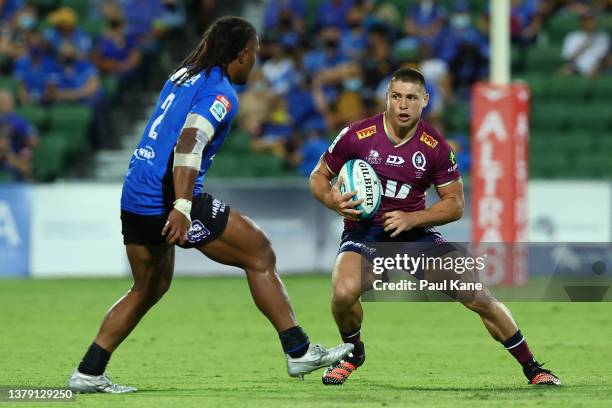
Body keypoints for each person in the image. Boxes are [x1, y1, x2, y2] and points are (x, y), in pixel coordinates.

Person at [67, 16, 353, 394]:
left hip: (136, 190)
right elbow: (189, 144)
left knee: (148, 287)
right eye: (254, 54)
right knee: (259, 253)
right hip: (168, 195)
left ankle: (88, 371)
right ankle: (298, 350)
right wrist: (183, 206)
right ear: (239, 55)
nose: (255, 63)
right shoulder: (221, 93)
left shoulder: (183, 73)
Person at [308, 67, 561, 386]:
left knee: (478, 296)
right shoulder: (357, 135)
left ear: (424, 101)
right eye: (396, 96)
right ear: (386, 97)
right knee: (342, 292)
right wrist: (332, 200)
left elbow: (455, 204)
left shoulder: (435, 147)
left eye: (411, 98)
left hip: (416, 237)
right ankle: (353, 355)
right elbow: (317, 176)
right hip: (365, 235)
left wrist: (412, 218)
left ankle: (534, 368)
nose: (402, 105)